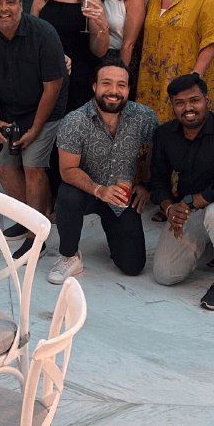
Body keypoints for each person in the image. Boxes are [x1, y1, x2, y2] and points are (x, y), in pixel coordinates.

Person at [0, 0, 67, 256]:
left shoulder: (44, 33)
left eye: (10, 2)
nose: (4, 9)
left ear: (21, 4)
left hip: (44, 111)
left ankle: (36, 236)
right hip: (6, 112)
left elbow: (53, 87)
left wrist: (36, 128)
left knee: (33, 166)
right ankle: (29, 220)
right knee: (3, 165)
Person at [151, 74, 214, 310]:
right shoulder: (165, 135)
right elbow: (158, 183)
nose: (188, 108)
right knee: (165, 274)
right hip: (193, 210)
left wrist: (188, 201)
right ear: (172, 106)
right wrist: (170, 208)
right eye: (180, 102)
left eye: (194, 100)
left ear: (208, 101)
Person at [51, 56, 158, 283]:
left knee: (132, 266)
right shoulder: (75, 121)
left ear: (129, 89)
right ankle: (69, 256)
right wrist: (99, 190)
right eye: (106, 83)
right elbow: (67, 170)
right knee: (67, 195)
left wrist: (146, 185)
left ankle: (116, 236)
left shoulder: (143, 117)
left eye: (121, 85)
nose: (114, 91)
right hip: (86, 191)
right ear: (94, 86)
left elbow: (160, 152)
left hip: (121, 194)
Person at [32, 0, 105, 115]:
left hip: (82, 76)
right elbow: (32, 43)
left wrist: (103, 28)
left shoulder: (91, 0)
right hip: (47, 76)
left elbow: (99, 51)